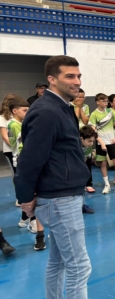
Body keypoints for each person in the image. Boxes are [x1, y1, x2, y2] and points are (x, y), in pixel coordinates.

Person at [14, 55, 95, 299]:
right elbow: (29, 160)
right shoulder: (47, 111)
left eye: (78, 76)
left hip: (64, 196)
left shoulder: (62, 107)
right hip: (60, 200)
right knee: (79, 267)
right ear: (52, 79)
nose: (77, 81)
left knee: (58, 263)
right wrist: (26, 198)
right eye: (70, 76)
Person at [8, 97, 47, 249]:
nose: (27, 113)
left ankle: (24, 219)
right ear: (14, 111)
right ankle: (32, 221)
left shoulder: (20, 124)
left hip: (24, 160)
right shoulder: (15, 125)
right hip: (23, 161)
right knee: (31, 193)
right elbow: (29, 140)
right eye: (24, 110)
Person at [89, 93, 115, 195]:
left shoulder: (110, 112)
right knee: (103, 163)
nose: (106, 103)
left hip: (111, 142)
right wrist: (101, 143)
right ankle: (107, 185)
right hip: (100, 143)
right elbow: (93, 131)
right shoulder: (94, 114)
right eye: (103, 101)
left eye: (106, 101)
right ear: (97, 102)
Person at [72, 89, 94, 193]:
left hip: (86, 135)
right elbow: (75, 120)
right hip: (76, 135)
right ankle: (77, 183)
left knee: (88, 160)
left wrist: (80, 108)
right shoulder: (70, 106)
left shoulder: (86, 107)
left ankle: (88, 183)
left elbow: (85, 121)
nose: (81, 99)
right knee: (77, 160)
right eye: (79, 97)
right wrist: (77, 107)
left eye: (83, 97)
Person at [0, 93, 21, 205]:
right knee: (16, 174)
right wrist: (15, 148)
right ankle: (19, 197)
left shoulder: (17, 115)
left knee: (23, 173)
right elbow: (4, 136)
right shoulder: (2, 117)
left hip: (21, 149)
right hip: (10, 151)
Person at [79, 126, 96, 214]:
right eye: (89, 141)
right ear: (81, 139)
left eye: (93, 141)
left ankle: (82, 205)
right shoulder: (74, 146)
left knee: (82, 186)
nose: (91, 143)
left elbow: (85, 159)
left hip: (80, 166)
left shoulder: (88, 146)